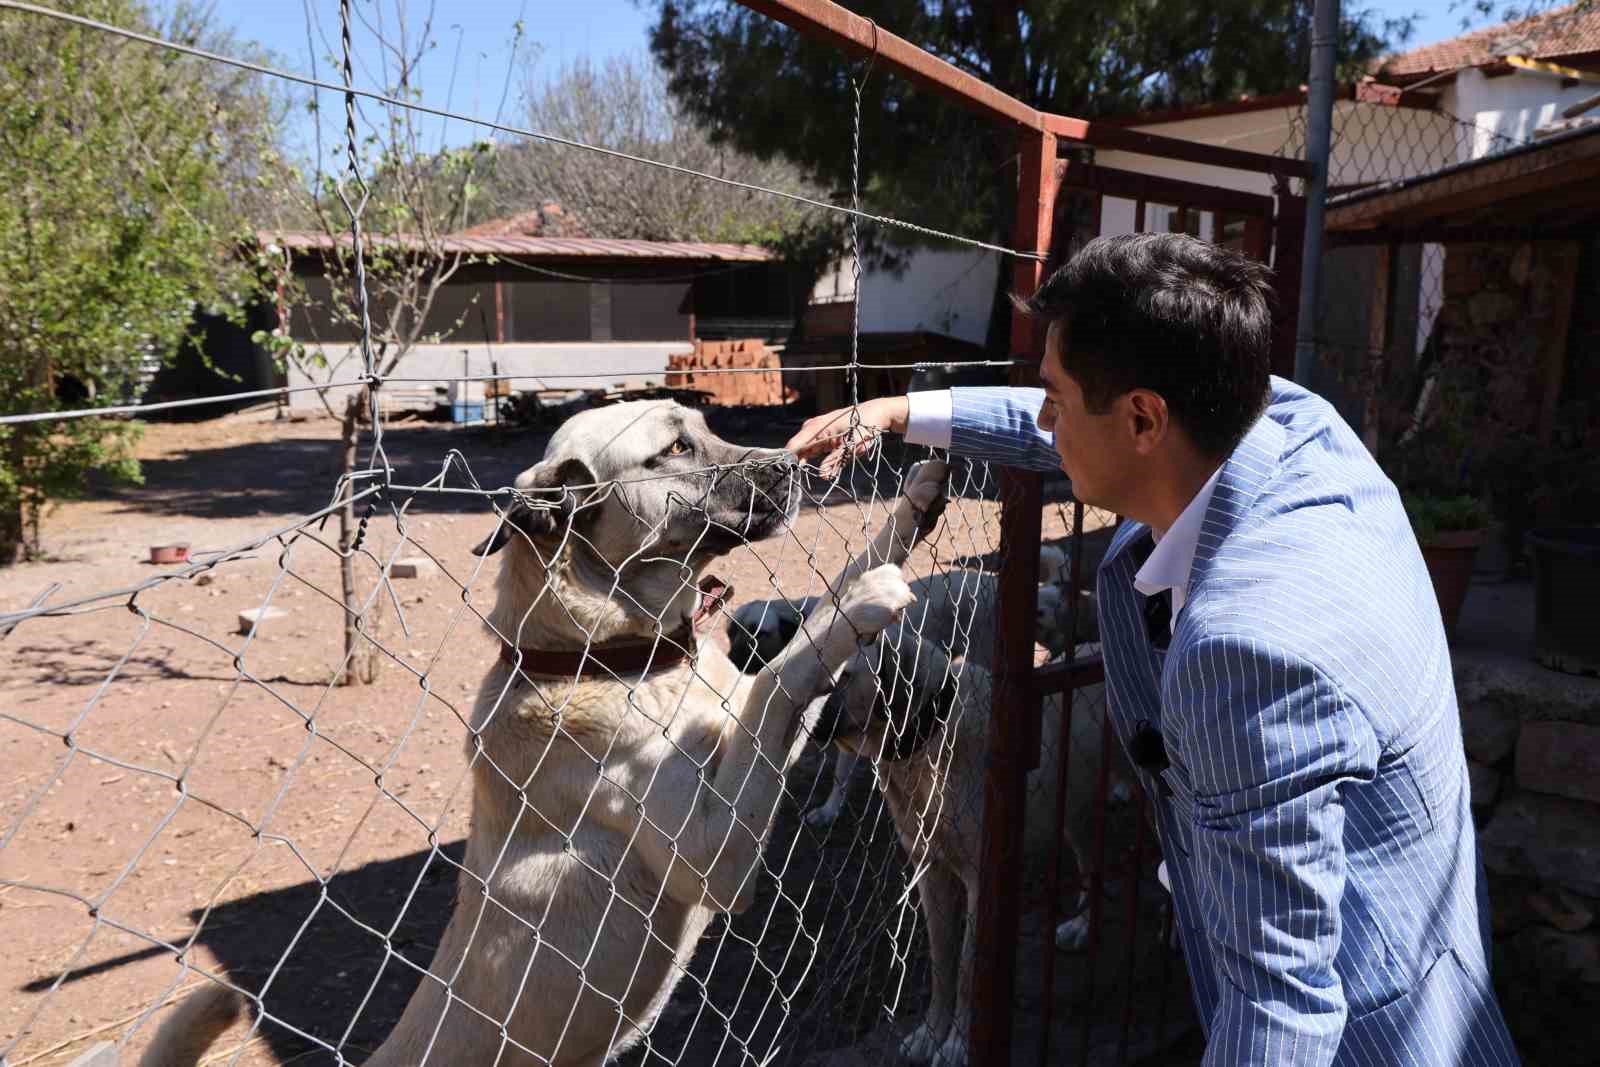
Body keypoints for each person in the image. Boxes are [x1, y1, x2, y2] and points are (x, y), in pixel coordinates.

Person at [787, 233, 1518, 1066]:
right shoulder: (1290, 424)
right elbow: (1071, 430)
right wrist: (899, 414)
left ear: (1142, 417)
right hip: (1437, 970)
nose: (1045, 418)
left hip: (1369, 1039)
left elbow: (1278, 1009)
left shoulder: (1246, 652)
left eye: (1055, 397)